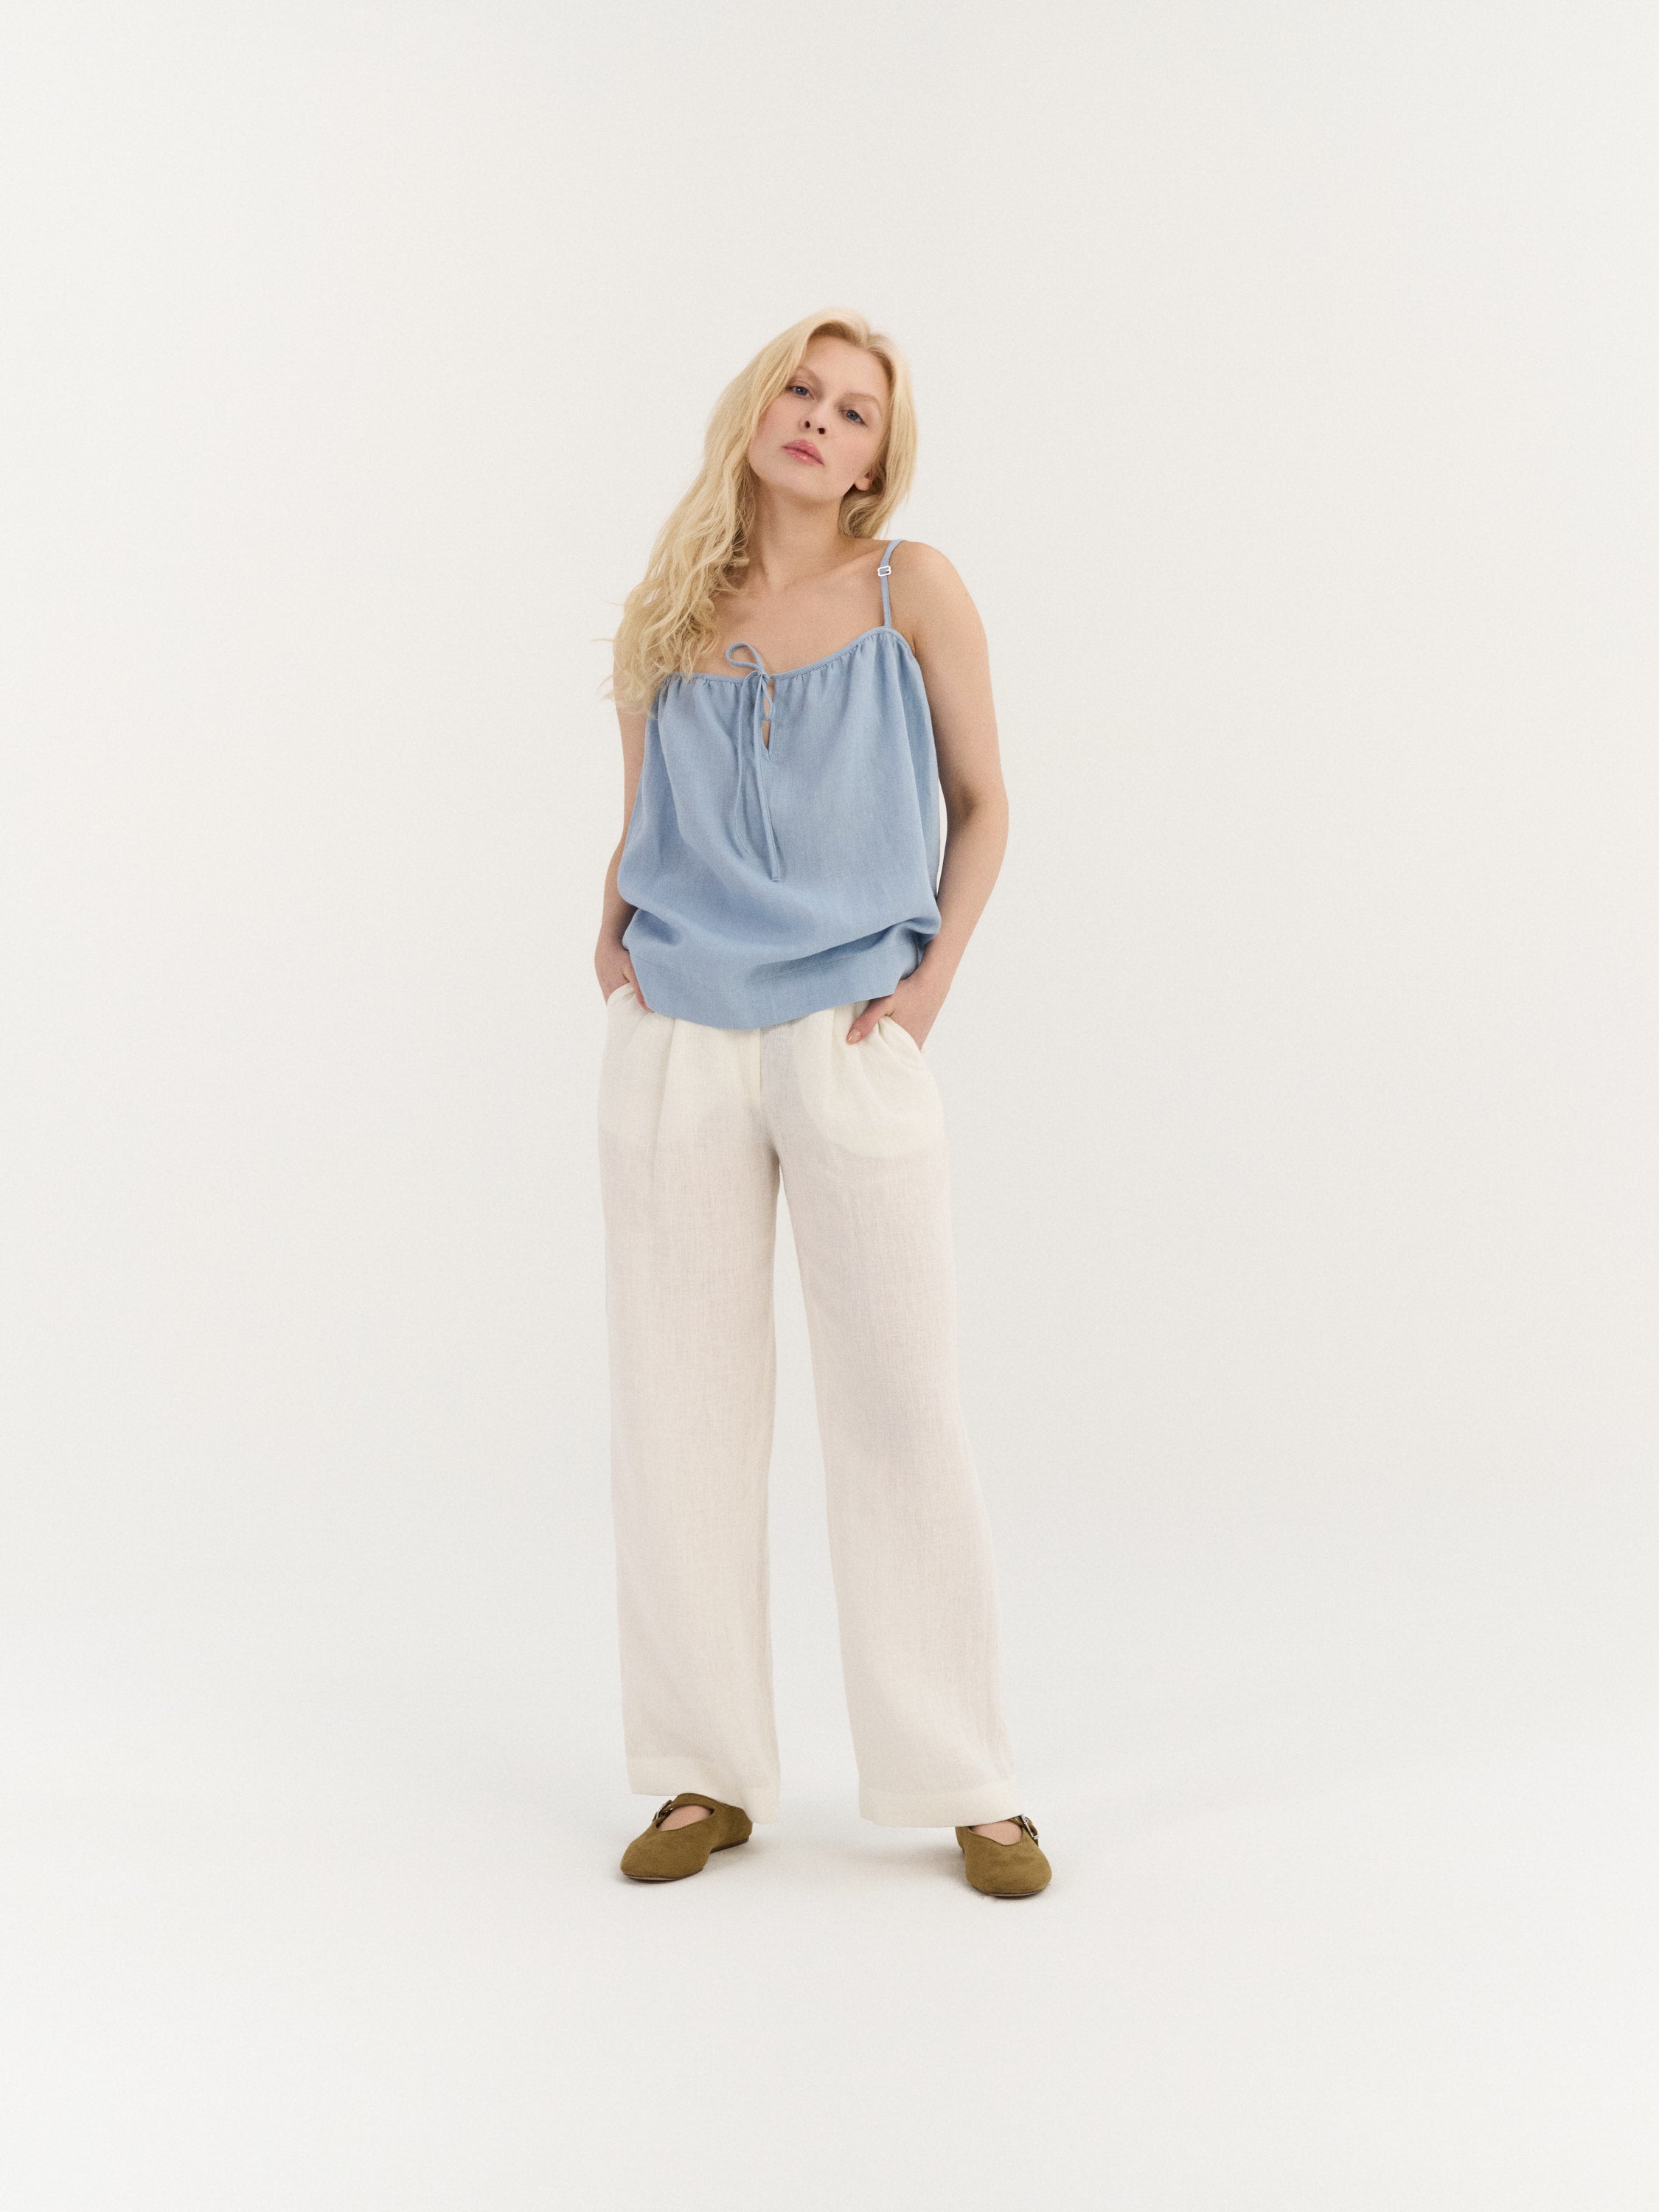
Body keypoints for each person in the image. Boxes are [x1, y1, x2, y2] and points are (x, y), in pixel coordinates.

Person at [593, 308, 1050, 1899]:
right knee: (677, 1407)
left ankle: (965, 1776)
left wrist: (926, 992)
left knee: (898, 1399)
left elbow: (986, 804)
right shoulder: (669, 606)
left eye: (855, 411)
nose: (820, 419)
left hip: (850, 1028)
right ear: (757, 405)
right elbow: (643, 819)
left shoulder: (912, 589)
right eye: (802, 388)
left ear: (875, 460)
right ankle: (700, 1773)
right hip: (679, 1036)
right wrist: (615, 948)